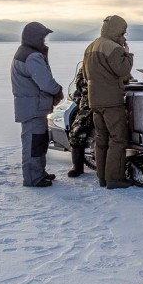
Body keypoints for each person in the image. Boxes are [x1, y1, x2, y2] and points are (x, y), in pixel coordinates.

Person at [83, 15, 134, 189]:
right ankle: (114, 178)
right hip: (112, 100)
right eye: (123, 32)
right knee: (118, 138)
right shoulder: (113, 47)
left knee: (101, 138)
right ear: (117, 30)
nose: (124, 35)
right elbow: (122, 70)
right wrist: (127, 54)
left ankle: (102, 176)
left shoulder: (91, 47)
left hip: (95, 100)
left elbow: (85, 75)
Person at [11, 21, 64, 187]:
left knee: (39, 141)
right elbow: (46, 82)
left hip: (33, 105)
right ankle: (33, 178)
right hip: (33, 106)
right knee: (34, 144)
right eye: (43, 37)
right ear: (35, 38)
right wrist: (58, 91)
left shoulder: (26, 53)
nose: (45, 41)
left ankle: (38, 172)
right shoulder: (32, 56)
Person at [66, 67, 92, 178]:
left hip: (106, 103)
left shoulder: (115, 60)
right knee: (77, 131)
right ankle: (77, 166)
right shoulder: (87, 64)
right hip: (88, 103)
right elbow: (79, 83)